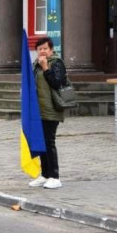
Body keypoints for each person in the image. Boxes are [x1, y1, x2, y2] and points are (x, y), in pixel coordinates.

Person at [28, 37, 67, 189]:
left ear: (51, 50)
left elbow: (57, 83)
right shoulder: (35, 65)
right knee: (40, 142)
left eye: (45, 48)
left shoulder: (56, 63)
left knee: (49, 142)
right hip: (38, 109)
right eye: (40, 49)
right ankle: (44, 175)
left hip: (51, 109)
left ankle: (55, 176)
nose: (42, 51)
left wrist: (46, 68)